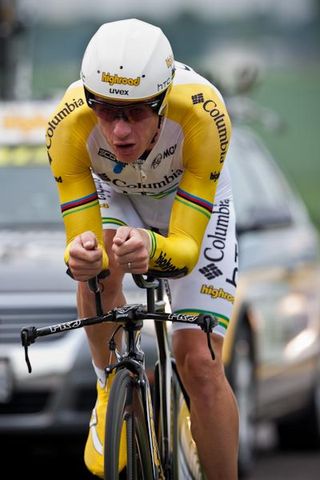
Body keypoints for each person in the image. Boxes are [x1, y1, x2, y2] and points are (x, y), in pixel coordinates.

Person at [46, 18, 239, 480]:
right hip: (115, 194)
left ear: (162, 99)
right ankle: (109, 384)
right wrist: (81, 257)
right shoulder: (67, 125)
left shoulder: (203, 115)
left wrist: (153, 246)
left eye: (134, 112)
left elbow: (187, 250)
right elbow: (80, 242)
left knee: (200, 364)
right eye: (105, 110)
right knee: (99, 264)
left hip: (187, 205)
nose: (118, 131)